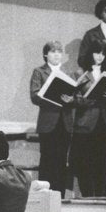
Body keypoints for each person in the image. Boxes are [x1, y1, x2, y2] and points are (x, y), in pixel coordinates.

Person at [29, 40, 75, 195]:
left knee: (62, 161)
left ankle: (59, 197)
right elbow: (34, 95)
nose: (57, 54)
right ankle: (44, 196)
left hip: (65, 122)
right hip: (48, 122)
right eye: (53, 51)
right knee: (47, 160)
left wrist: (72, 99)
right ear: (45, 54)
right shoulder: (39, 71)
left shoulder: (69, 72)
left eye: (59, 51)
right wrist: (52, 97)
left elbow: (76, 95)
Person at [71, 37, 106, 197]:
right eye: (97, 52)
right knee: (85, 164)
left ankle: (102, 196)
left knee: (102, 164)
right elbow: (74, 98)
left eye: (103, 53)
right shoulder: (80, 73)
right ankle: (88, 196)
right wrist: (88, 100)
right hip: (86, 124)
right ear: (91, 54)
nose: (100, 56)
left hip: (104, 123)